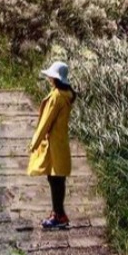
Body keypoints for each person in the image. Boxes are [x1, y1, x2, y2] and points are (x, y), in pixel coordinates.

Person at [27, 61, 76, 229]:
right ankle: (58, 213)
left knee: (55, 179)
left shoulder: (56, 96)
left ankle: (58, 215)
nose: (48, 78)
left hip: (54, 143)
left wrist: (35, 141)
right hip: (60, 142)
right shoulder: (66, 94)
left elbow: (46, 122)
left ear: (55, 78)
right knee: (57, 178)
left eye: (50, 76)